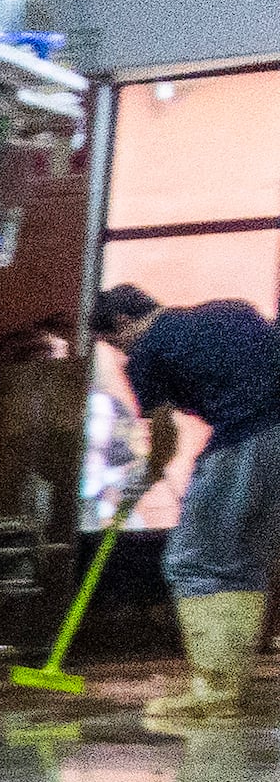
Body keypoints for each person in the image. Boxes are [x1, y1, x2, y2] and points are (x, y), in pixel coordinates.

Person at [91, 281, 277, 728]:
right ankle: (229, 683)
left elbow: (164, 440)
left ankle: (215, 694)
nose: (118, 354)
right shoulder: (232, 309)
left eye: (113, 343)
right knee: (255, 555)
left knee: (199, 561)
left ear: (121, 324)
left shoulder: (146, 356)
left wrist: (142, 482)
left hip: (249, 441)